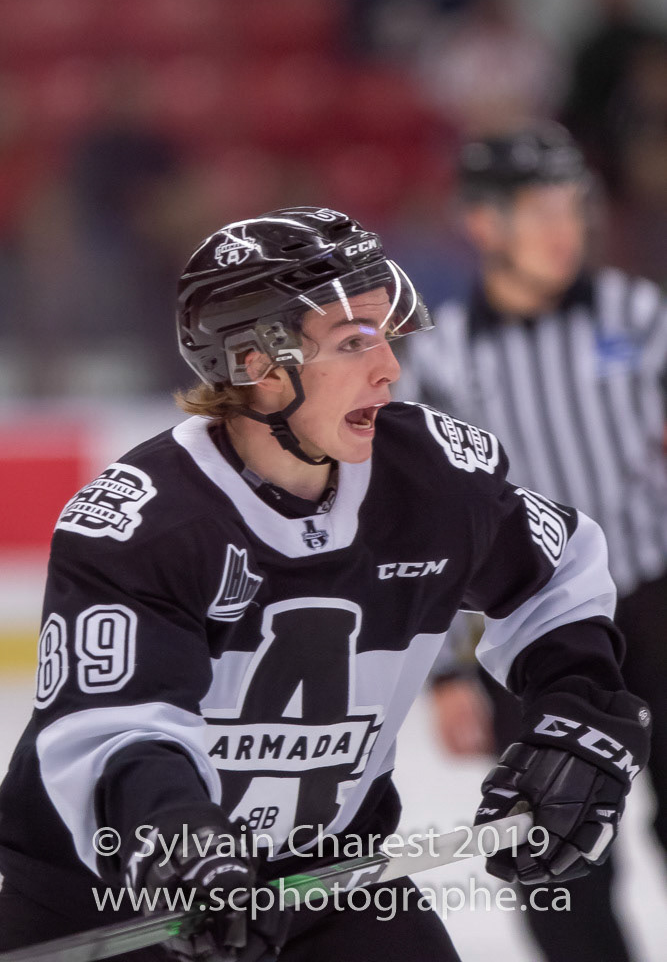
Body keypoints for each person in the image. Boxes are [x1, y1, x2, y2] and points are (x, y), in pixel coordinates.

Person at [0, 207, 651, 961]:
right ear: (257, 365)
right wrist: (185, 851)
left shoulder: (429, 477)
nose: (390, 368)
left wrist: (578, 712)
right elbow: (116, 729)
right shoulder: (146, 523)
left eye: (385, 335)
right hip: (114, 901)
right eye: (352, 342)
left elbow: (560, 568)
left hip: (332, 884)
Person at [399, 125, 667, 962]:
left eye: (573, 207)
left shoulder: (638, 315)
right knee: (556, 841)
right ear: (483, 223)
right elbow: (434, 524)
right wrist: (448, 671)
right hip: (528, 632)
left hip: (655, 602)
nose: (565, 229)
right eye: (540, 210)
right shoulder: (442, 358)